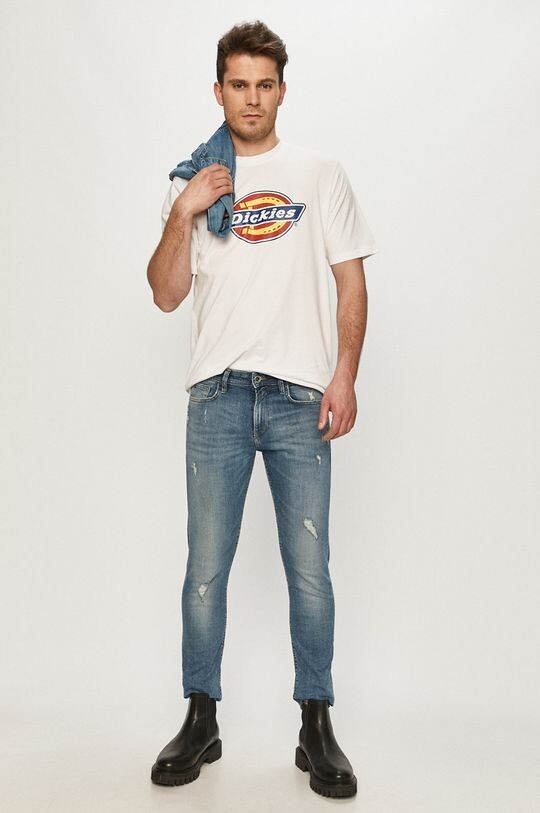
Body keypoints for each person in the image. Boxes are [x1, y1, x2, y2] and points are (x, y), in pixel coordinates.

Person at [146, 20, 378, 799]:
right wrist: (184, 210)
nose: (252, 99)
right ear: (219, 91)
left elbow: (351, 281)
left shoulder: (318, 172)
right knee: (205, 568)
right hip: (216, 395)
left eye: (265, 85)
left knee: (309, 570)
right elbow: (166, 294)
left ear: (282, 90)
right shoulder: (196, 180)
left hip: (298, 399)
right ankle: (201, 715)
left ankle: (316, 723)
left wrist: (344, 375)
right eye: (239, 85)